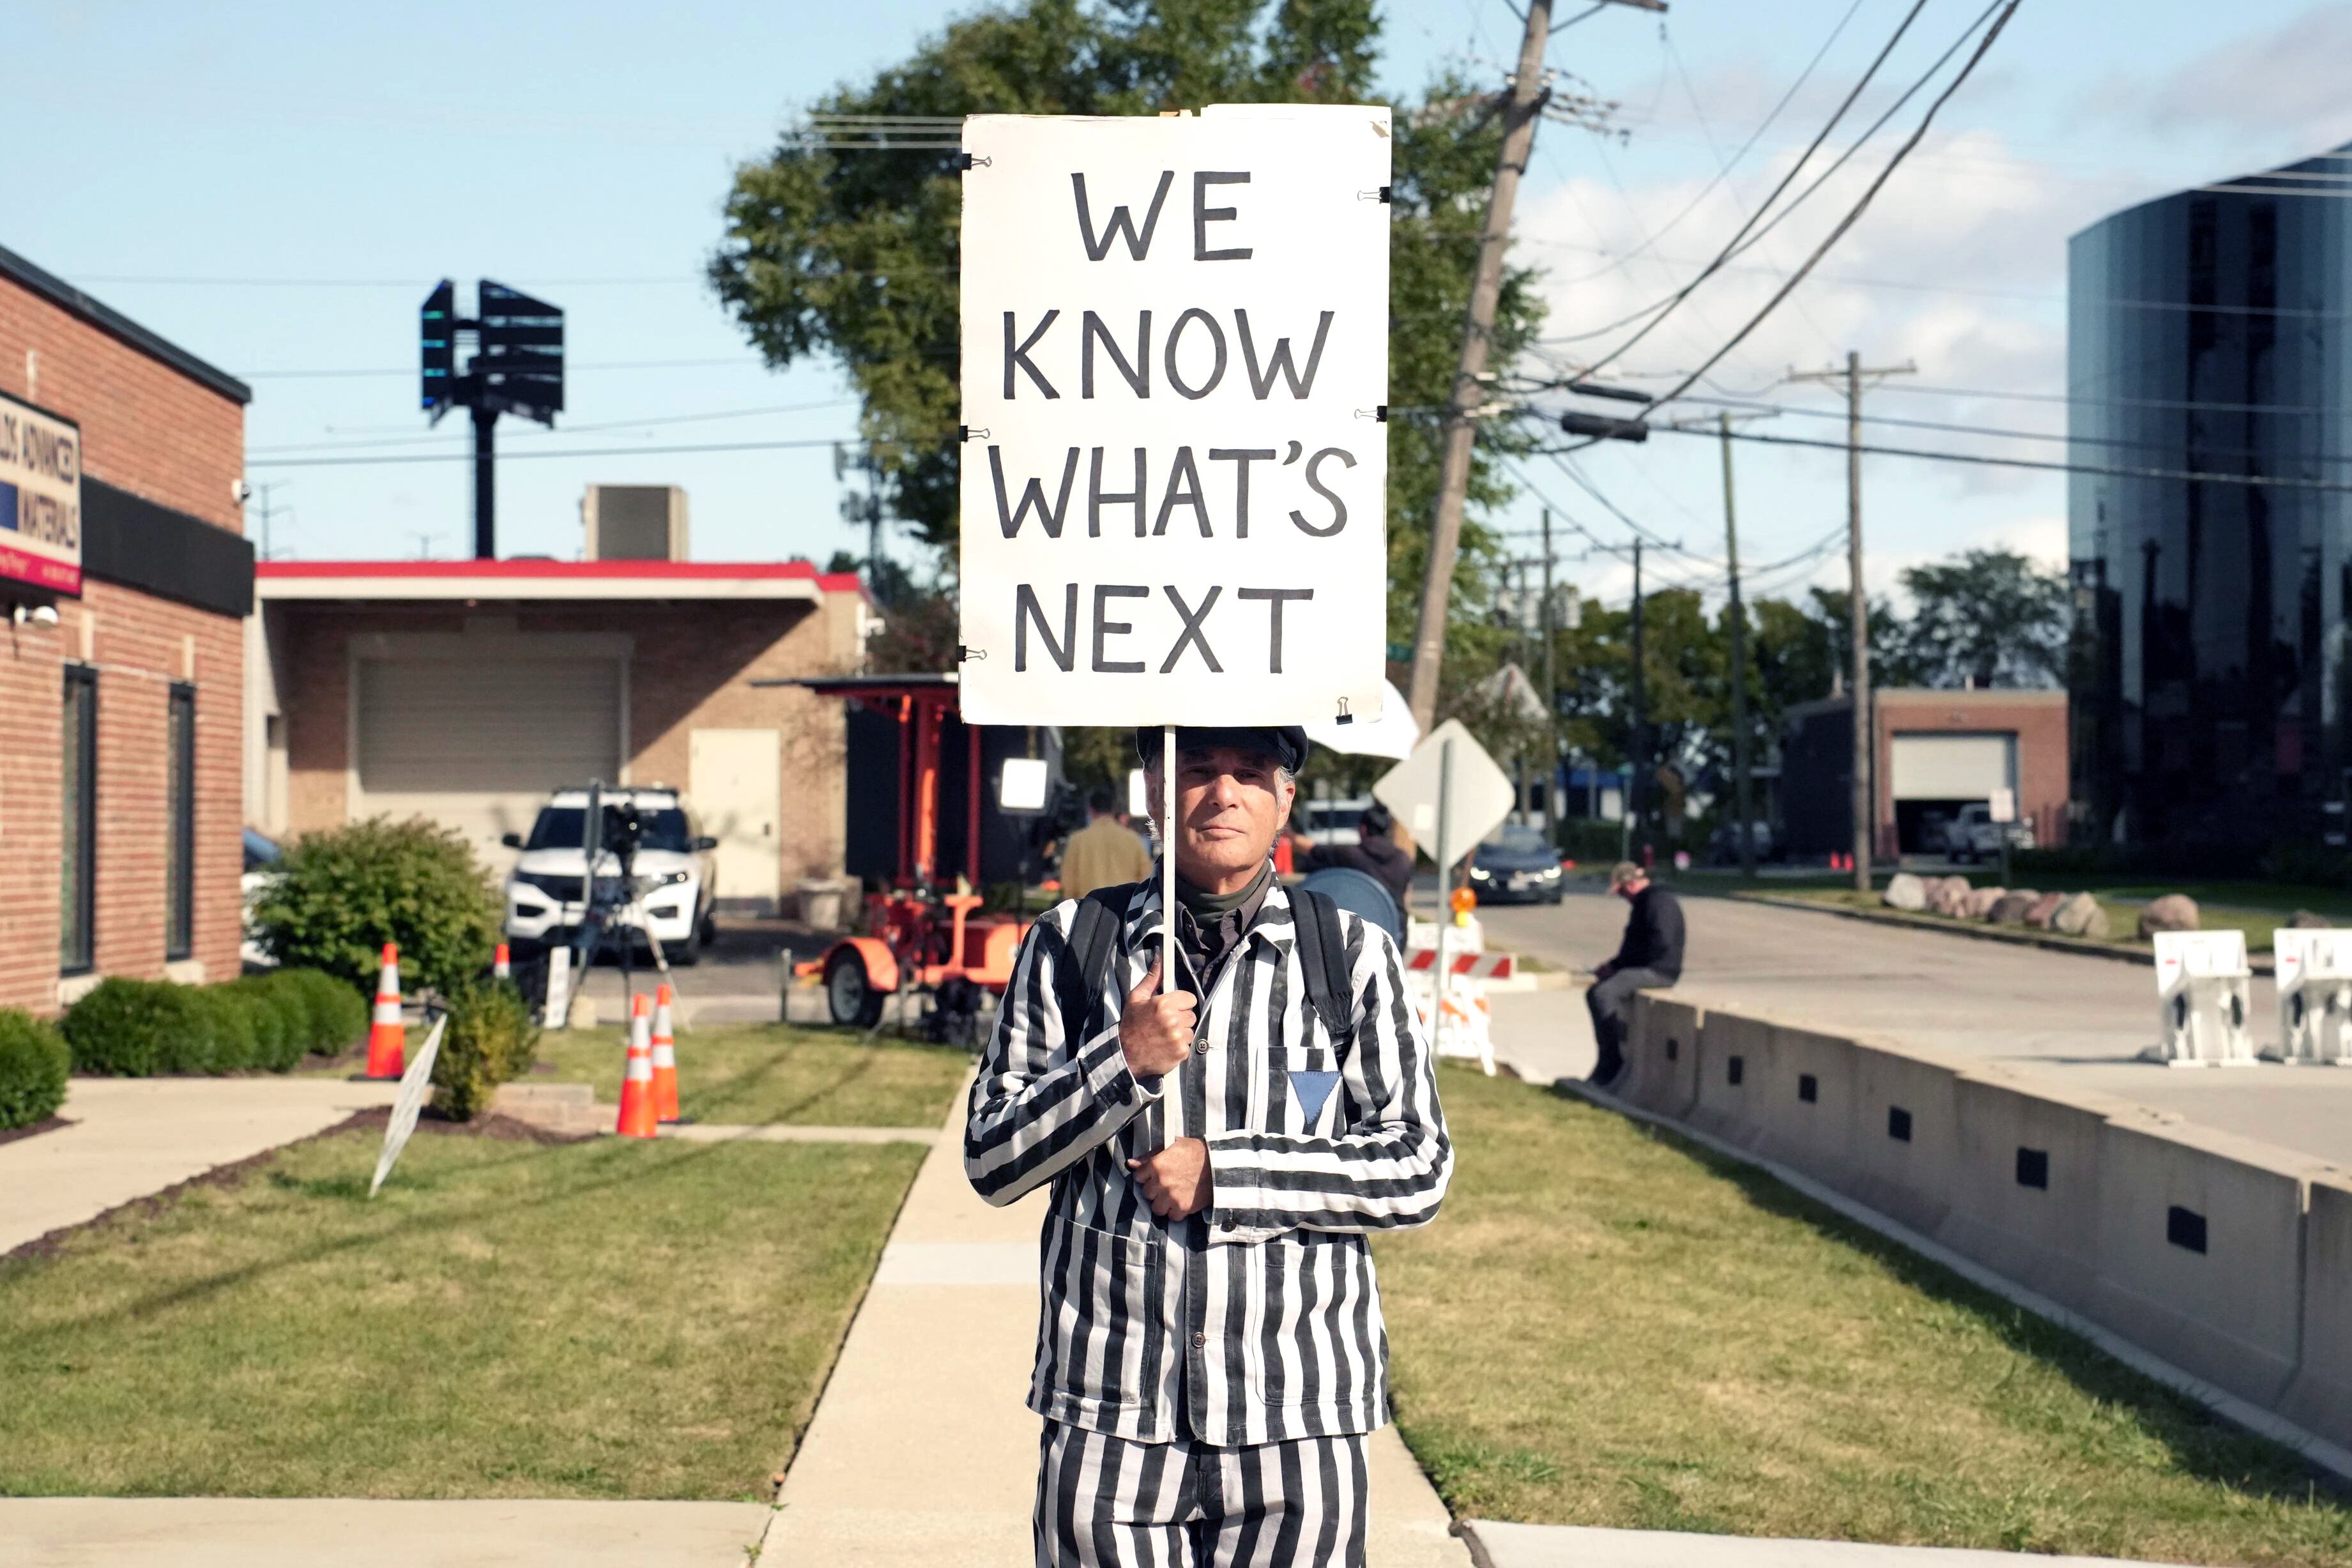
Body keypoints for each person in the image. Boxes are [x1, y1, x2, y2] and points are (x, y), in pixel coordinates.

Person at [966, 725, 1452, 1568]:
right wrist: (1120, 1061)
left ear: (1284, 799)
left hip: (1296, 1416)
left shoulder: (1348, 954)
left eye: (1249, 773)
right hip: (1111, 1411)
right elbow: (992, 1157)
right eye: (1196, 769)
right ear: (1156, 791)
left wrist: (1229, 1174)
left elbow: (1417, 1165)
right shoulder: (1071, 943)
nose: (1223, 793)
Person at [1585, 860, 1684, 1087]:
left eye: (1622, 892)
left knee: (1603, 995)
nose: (1623, 898)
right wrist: (1614, 966)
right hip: (1643, 967)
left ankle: (1613, 1061)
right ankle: (1605, 1059)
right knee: (1594, 992)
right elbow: (1632, 947)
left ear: (1630, 885)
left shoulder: (1658, 902)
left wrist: (1623, 967)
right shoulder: (1644, 903)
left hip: (1659, 970)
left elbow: (1660, 943)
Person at [1285, 800, 1412, 910]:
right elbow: (1406, 895)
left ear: (1363, 829)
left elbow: (1312, 848)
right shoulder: (1403, 859)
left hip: (1366, 922)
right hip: (1396, 923)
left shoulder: (1352, 855)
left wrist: (1289, 833)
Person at [1060, 787, 1154, 900]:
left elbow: (1068, 883)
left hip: (1088, 907)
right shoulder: (1133, 839)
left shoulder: (1077, 841)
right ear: (1113, 810)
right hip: (1125, 906)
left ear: (1090, 810)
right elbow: (1146, 877)